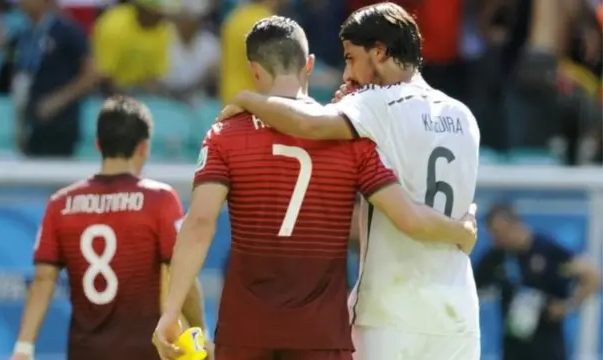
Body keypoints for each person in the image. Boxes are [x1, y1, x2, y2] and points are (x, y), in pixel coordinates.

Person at [153, 16, 478, 360]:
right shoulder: (353, 139)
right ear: (309, 65)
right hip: (323, 333)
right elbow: (405, 214)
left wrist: (171, 311)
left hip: (245, 329)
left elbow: (200, 223)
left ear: (254, 70)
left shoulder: (226, 135)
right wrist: (461, 228)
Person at [11, 96, 206, 360]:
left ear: (98, 144)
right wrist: (201, 333)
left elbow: (44, 279)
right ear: (144, 148)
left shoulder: (61, 204)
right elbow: (182, 276)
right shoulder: (160, 200)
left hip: (85, 352)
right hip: (142, 352)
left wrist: (24, 346)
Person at [476, 204, 601, 360]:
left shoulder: (546, 250)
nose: (497, 239)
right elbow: (473, 289)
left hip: (548, 345)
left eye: (500, 233)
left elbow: (591, 275)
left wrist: (568, 306)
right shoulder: (494, 258)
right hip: (514, 346)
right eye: (493, 234)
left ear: (515, 224)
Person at [14, 0, 98, 158]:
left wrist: (58, 100)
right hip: (32, 121)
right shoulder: (25, 34)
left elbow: (91, 75)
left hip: (60, 123)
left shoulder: (67, 31)